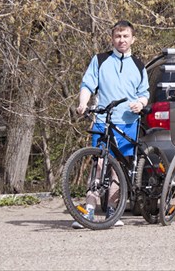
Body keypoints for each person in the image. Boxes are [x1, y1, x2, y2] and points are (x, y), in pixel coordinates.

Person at [72, 20, 149, 228]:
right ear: (112, 38)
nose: (121, 40)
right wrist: (83, 103)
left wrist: (140, 104)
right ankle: (88, 211)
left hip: (127, 124)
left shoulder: (139, 65)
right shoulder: (100, 60)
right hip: (103, 121)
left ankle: (113, 211)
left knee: (117, 169)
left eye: (125, 36)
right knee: (98, 165)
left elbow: (144, 93)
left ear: (133, 39)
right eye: (118, 36)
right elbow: (88, 84)